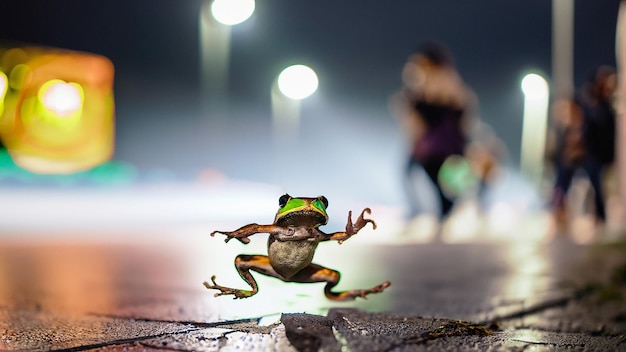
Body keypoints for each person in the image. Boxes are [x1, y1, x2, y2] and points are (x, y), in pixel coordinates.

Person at [389, 41, 477, 220]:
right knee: (418, 175)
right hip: (431, 145)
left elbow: (452, 111)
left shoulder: (442, 83)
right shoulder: (425, 84)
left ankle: (441, 214)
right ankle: (431, 212)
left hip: (440, 145)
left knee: (440, 182)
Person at [550, 65, 617, 230]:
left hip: (594, 153)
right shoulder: (586, 104)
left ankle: (600, 218)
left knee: (596, 184)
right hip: (576, 154)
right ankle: (558, 214)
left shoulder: (602, 109)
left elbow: (603, 133)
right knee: (562, 182)